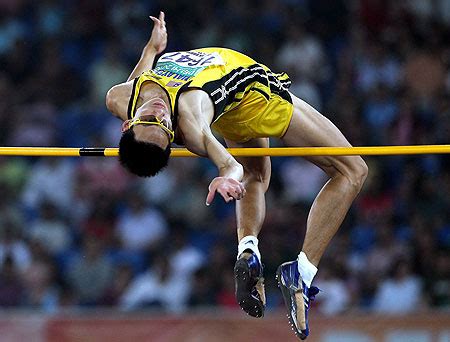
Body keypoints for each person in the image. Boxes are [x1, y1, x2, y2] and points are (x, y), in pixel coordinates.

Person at [106, 12, 368, 340]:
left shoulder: (120, 97)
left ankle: (248, 248)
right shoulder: (190, 117)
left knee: (257, 177)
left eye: (153, 121)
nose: (159, 114)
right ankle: (301, 273)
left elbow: (140, 81)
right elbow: (229, 163)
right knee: (353, 171)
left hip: (231, 107)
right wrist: (226, 175)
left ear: (129, 122)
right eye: (164, 125)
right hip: (257, 98)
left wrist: (152, 47)